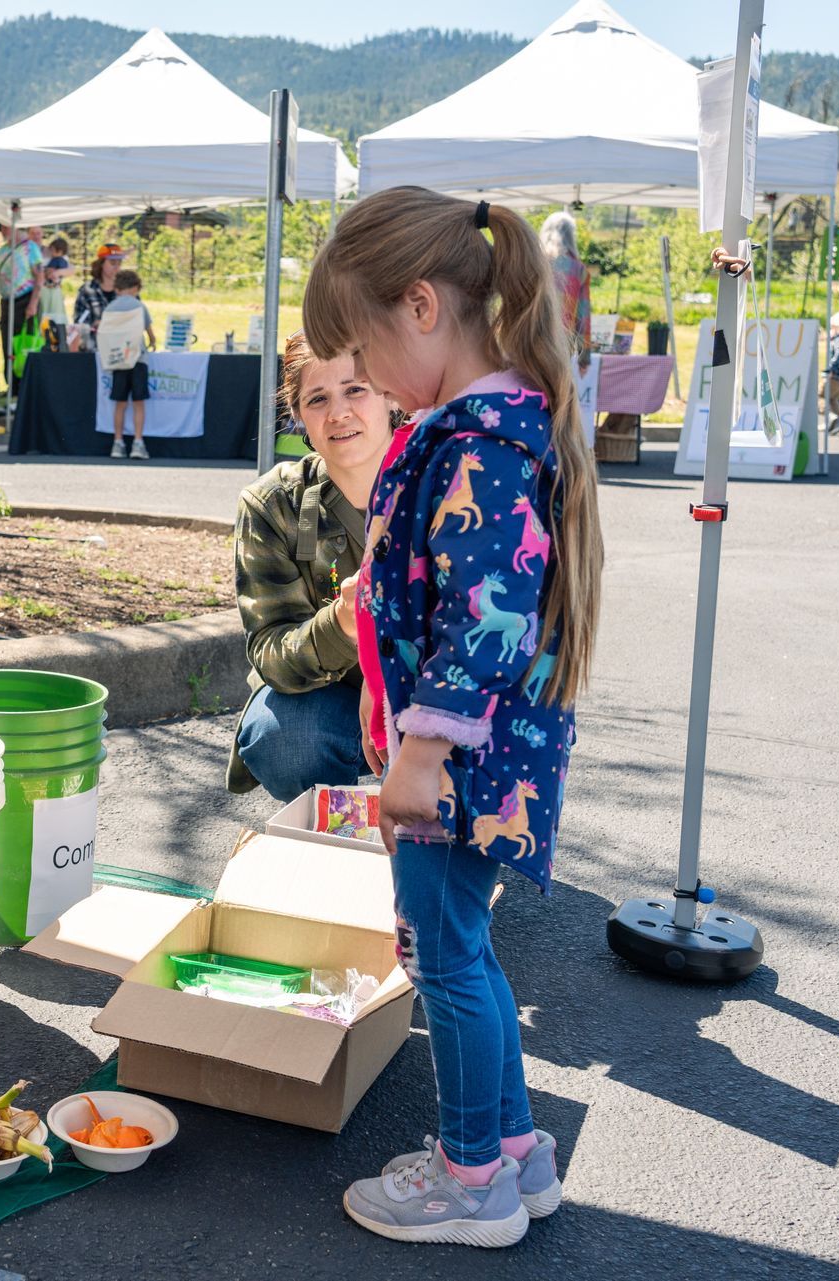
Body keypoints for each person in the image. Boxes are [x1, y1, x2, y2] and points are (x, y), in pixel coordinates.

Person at [306, 187, 603, 1247]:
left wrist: (419, 757)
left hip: (458, 768)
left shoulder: (479, 444)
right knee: (465, 947)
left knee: (445, 953)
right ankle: (514, 1150)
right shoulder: (502, 426)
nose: (369, 382)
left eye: (365, 350)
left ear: (422, 307)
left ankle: (470, 1178)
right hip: (489, 762)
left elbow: (485, 622)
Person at [228, 331, 400, 801]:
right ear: (298, 414)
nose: (339, 412)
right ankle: (336, 827)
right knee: (284, 739)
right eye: (317, 398)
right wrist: (345, 626)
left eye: (355, 390)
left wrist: (387, 683)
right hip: (334, 702)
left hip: (440, 695)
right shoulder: (273, 504)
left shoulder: (449, 481)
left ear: (391, 393)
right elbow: (269, 652)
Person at [101, 269, 155, 460]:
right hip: (137, 359)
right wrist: (153, 342)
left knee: (120, 404)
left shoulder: (110, 307)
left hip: (118, 360)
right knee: (139, 404)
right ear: (135, 287)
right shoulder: (139, 306)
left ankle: (118, 442)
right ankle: (138, 443)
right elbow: (148, 330)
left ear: (117, 288)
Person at [0, 222, 42, 389]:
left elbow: (39, 276)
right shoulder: (2, 251)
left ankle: (27, 385)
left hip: (25, 300)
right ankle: (12, 386)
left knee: (25, 343)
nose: (2, 231)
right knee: (8, 344)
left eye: (4, 227)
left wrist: (33, 303)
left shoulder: (30, 248)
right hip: (7, 302)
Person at [538, 211, 592, 354]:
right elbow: (583, 314)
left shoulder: (534, 261)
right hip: (561, 344)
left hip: (530, 336)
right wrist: (584, 352)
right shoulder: (579, 269)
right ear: (571, 236)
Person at [72, 245, 123, 349]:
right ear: (101, 264)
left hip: (122, 351)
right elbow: (79, 323)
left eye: (119, 263)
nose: (117, 267)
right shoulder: (87, 290)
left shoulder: (127, 290)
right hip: (94, 349)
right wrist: (94, 326)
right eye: (112, 263)